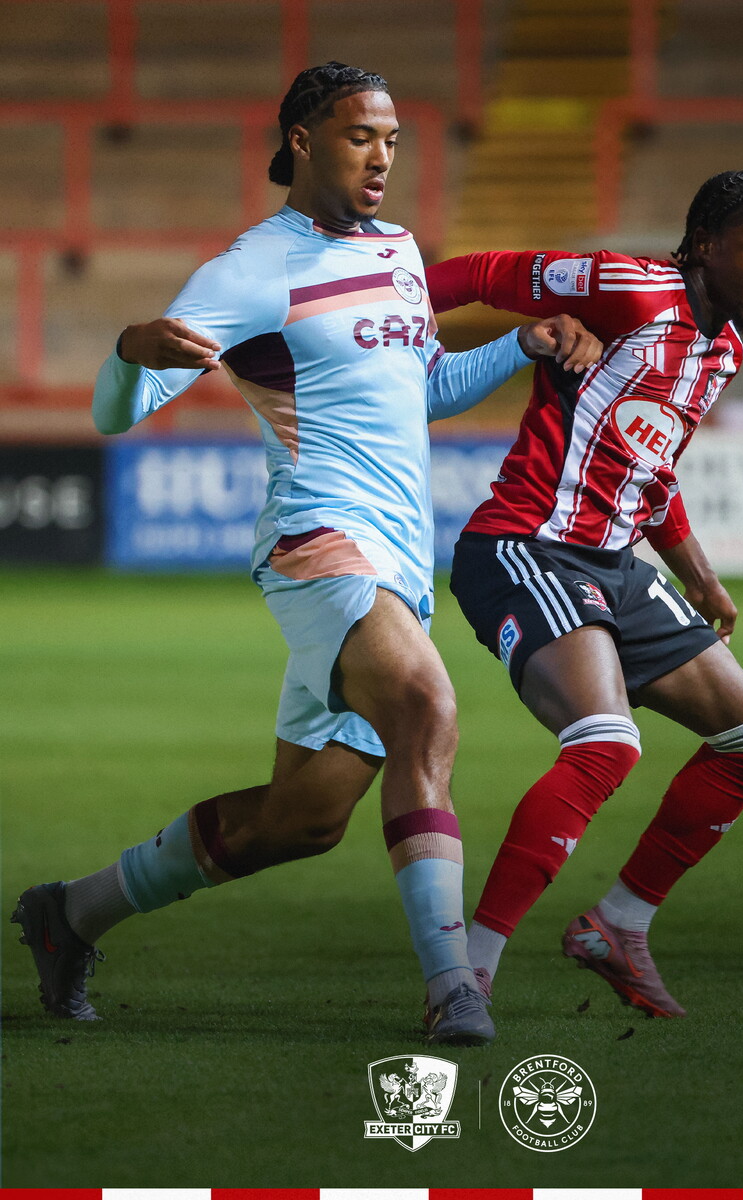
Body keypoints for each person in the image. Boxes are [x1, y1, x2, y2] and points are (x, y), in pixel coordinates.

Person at [10, 62, 600, 1045]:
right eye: (361, 134)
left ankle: (68, 915)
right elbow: (116, 415)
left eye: (392, 139)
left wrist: (522, 345)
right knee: (426, 704)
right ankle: (454, 985)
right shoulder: (251, 269)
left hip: (398, 564)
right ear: (301, 140)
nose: (382, 156)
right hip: (317, 539)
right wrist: (129, 350)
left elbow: (421, 389)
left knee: (302, 820)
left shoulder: (399, 250)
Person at [425, 170, 743, 1017]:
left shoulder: (722, 351)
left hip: (616, 565)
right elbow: (485, 274)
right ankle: (466, 977)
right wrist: (385, 319)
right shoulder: (629, 289)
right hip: (526, 547)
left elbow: (650, 471)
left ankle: (619, 924)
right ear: (704, 245)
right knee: (606, 741)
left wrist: (701, 578)